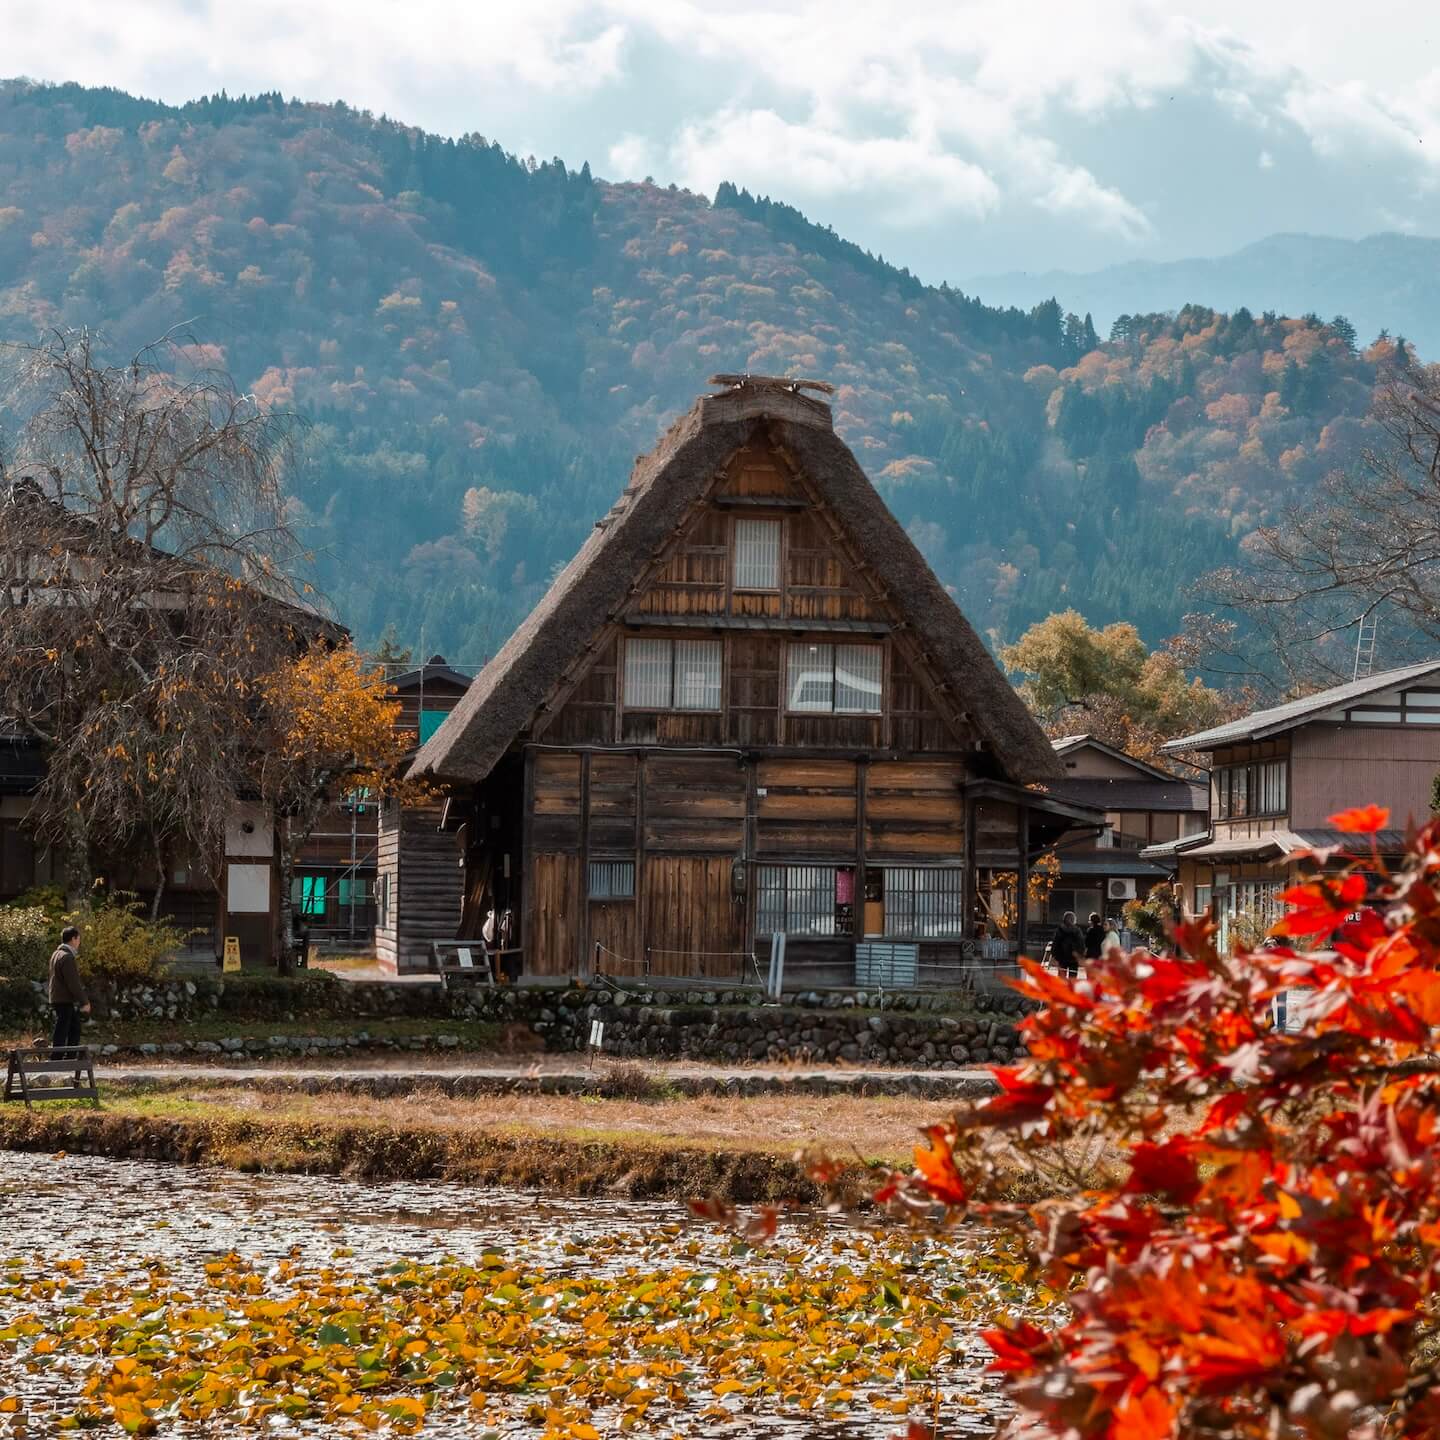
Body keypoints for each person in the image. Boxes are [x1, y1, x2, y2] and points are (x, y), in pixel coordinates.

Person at [48, 925, 89, 1054]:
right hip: (63, 998)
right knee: (64, 1028)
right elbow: (73, 982)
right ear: (73, 938)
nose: (79, 942)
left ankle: (67, 1056)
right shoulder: (67, 957)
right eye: (78, 939)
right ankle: (58, 1058)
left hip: (57, 997)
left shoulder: (56, 954)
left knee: (73, 1027)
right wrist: (84, 1001)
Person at [1051, 911, 1085, 978]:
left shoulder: (1060, 930)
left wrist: (1054, 955)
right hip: (1073, 958)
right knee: (1072, 977)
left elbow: (1055, 943)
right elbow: (1081, 944)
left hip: (1062, 957)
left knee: (1061, 977)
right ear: (1073, 920)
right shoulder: (1077, 931)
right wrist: (1080, 955)